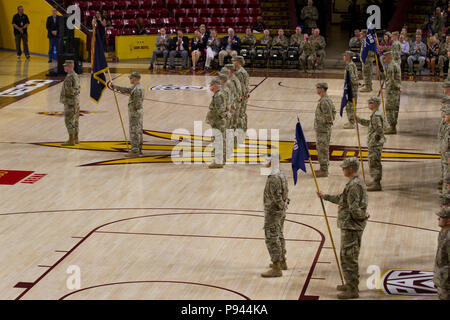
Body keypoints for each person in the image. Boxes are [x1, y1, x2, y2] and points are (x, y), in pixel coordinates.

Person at [317, 157, 369, 299]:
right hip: (349, 225)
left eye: (344, 167)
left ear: (351, 169)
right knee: (346, 256)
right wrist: (325, 196)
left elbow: (354, 209)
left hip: (351, 227)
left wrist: (363, 216)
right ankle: (349, 283)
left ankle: (352, 289)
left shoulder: (353, 186)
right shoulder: (354, 184)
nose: (343, 169)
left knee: (349, 257)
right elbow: (342, 199)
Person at [261, 152, 289, 278]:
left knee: (271, 237)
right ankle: (282, 260)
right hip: (280, 211)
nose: (264, 163)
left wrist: (281, 204)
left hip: (273, 212)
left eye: (266, 161)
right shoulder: (281, 175)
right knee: (279, 234)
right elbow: (284, 193)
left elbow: (276, 197)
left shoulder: (273, 178)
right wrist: (284, 204)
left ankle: (276, 266)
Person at [355, 97, 386, 191]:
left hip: (375, 144)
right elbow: (370, 124)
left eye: (370, 103)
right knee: (374, 162)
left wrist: (377, 138)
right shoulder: (376, 114)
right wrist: (359, 120)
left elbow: (379, 129)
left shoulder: (376, 116)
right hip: (375, 143)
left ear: (375, 104)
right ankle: (375, 180)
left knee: (374, 162)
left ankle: (377, 183)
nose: (369, 104)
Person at [111, 72, 145, 157]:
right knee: (139, 130)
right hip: (138, 112)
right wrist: (116, 87)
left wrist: (134, 110)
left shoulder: (137, 89)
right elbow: (127, 90)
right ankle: (139, 149)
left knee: (134, 131)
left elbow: (137, 104)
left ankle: (135, 151)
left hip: (135, 113)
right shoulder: (137, 87)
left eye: (131, 78)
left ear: (136, 78)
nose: (130, 79)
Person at [314, 82, 336, 177]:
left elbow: (329, 116)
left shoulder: (324, 101)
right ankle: (323, 168)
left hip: (323, 129)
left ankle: (324, 170)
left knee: (322, 149)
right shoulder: (326, 99)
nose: (317, 89)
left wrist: (324, 123)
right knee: (323, 148)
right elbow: (334, 111)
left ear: (322, 89)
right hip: (323, 129)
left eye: (318, 88)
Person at [205, 78, 228, 168]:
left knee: (218, 141)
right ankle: (221, 160)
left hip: (218, 121)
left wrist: (224, 115)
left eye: (211, 85)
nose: (210, 87)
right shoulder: (221, 93)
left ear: (215, 86)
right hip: (219, 121)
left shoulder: (218, 95)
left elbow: (220, 110)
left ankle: (218, 161)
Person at [59, 60, 80, 146]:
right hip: (76, 102)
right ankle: (76, 138)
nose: (64, 67)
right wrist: (76, 92)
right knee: (75, 121)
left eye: (66, 66)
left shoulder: (69, 77)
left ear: (70, 67)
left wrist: (73, 93)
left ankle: (71, 140)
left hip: (70, 102)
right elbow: (78, 88)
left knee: (69, 121)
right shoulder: (76, 75)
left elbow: (69, 91)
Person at [434, 207, 450, 300]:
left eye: (441, 217)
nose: (438, 219)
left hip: (447, 281)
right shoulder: (443, 231)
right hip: (442, 278)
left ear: (449, 221)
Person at [384, 51, 402, 134]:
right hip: (396, 90)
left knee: (390, 109)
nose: (384, 60)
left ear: (389, 57)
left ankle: (392, 127)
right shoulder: (395, 64)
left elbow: (391, 80)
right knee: (394, 109)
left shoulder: (391, 66)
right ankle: (392, 126)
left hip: (392, 91)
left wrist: (387, 91)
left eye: (385, 58)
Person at [232, 56, 249, 134]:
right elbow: (247, 84)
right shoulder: (242, 71)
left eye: (234, 61)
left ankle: (240, 131)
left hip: (240, 96)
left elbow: (241, 86)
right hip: (243, 95)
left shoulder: (239, 72)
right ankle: (243, 129)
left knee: (239, 114)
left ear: (238, 62)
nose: (232, 62)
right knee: (242, 113)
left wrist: (240, 96)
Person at [343, 51, 359, 129]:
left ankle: (352, 122)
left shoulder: (350, 65)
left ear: (348, 57)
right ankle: (351, 121)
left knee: (350, 106)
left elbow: (352, 78)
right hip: (351, 88)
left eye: (345, 55)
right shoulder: (350, 64)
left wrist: (349, 87)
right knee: (350, 105)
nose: (344, 57)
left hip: (351, 89)